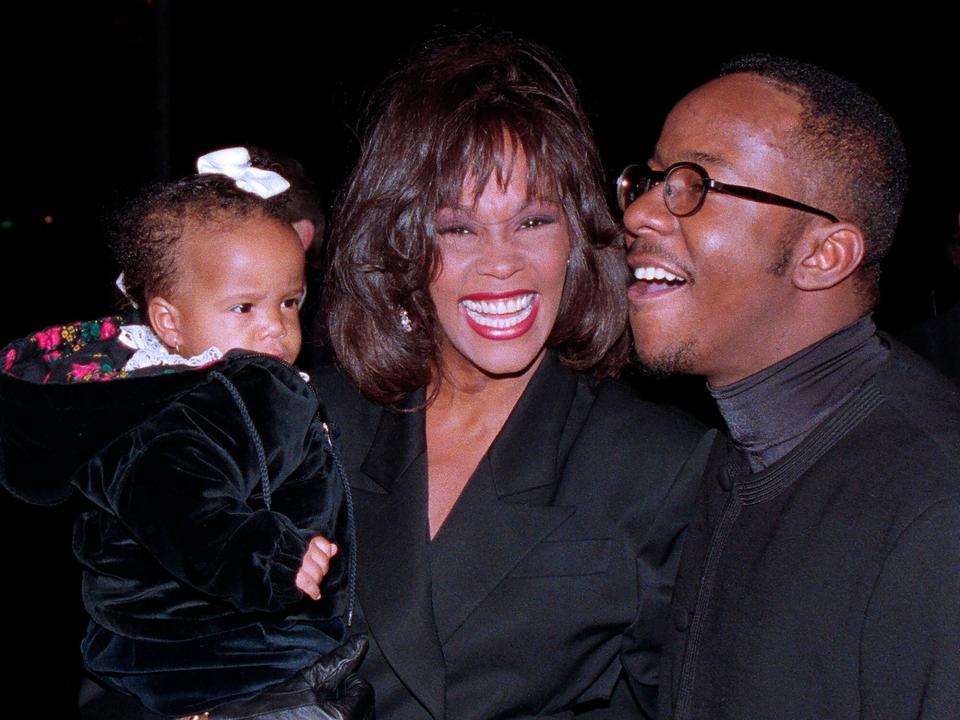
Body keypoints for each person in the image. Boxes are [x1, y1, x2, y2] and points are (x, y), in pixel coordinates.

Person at [317, 34, 714, 720]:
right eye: (459, 229)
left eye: (533, 219)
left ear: (575, 237)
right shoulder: (309, 420)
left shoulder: (661, 464)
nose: (502, 263)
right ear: (402, 245)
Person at [618, 54, 960, 719]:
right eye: (652, 179)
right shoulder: (733, 452)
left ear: (822, 254)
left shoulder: (935, 515)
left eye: (694, 184)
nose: (639, 216)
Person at [0, 148, 370, 719]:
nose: (274, 325)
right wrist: (269, 558)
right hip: (228, 672)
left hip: (175, 669)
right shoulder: (216, 399)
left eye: (289, 302)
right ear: (168, 321)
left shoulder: (149, 387)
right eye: (244, 306)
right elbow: (180, 503)